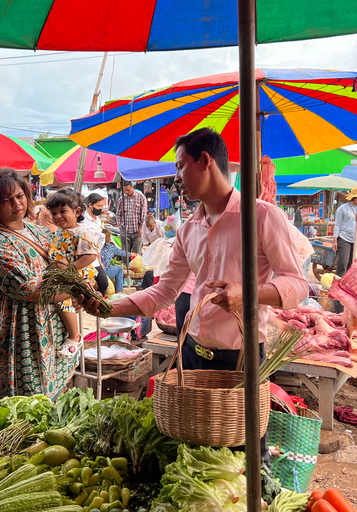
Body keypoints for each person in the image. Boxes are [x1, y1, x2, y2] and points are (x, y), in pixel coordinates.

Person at [82, 127, 308, 463]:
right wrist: (108, 305)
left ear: (204, 161)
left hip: (241, 358)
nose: (176, 178)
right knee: (194, 455)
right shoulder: (188, 229)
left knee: (246, 456)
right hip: (191, 355)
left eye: (179, 166)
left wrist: (248, 295)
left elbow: (298, 284)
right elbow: (164, 291)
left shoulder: (262, 216)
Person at [0, 168, 77, 401]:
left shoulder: (38, 232)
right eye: (6, 200)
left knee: (50, 399)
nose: (16, 204)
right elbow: (32, 290)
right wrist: (76, 288)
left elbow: (66, 264)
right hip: (20, 334)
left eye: (19, 196)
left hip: (51, 331)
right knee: (24, 404)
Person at [45, 188, 99, 358]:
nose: (58, 216)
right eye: (54, 213)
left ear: (77, 212)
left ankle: (75, 336)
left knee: (63, 299)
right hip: (63, 273)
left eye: (63, 211)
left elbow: (90, 256)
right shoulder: (59, 232)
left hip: (76, 275)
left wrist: (70, 268)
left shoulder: (82, 233)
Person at [332, 187, 357, 276]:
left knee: (354, 263)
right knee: (343, 262)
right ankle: (340, 281)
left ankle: (351, 283)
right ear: (353, 197)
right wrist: (335, 240)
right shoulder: (342, 208)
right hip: (344, 237)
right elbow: (338, 225)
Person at [81, 192, 110, 296]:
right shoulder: (82, 219)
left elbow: (97, 242)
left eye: (102, 206)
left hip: (94, 256)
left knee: (104, 283)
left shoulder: (98, 220)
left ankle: (98, 306)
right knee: (85, 285)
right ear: (90, 205)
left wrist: (99, 259)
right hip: (83, 256)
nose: (100, 208)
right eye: (98, 206)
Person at [116, 180, 148, 255]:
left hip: (137, 231)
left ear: (132, 187)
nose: (126, 192)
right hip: (125, 230)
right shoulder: (121, 199)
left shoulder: (141, 197)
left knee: (136, 253)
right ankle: (125, 266)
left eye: (128, 190)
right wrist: (120, 226)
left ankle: (134, 267)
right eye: (125, 190)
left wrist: (141, 228)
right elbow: (118, 214)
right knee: (125, 253)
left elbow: (143, 214)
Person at [100, 229, 136, 294]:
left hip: (95, 270)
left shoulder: (96, 246)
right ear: (108, 239)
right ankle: (119, 291)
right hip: (103, 272)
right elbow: (121, 252)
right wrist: (131, 254)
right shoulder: (110, 247)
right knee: (119, 269)